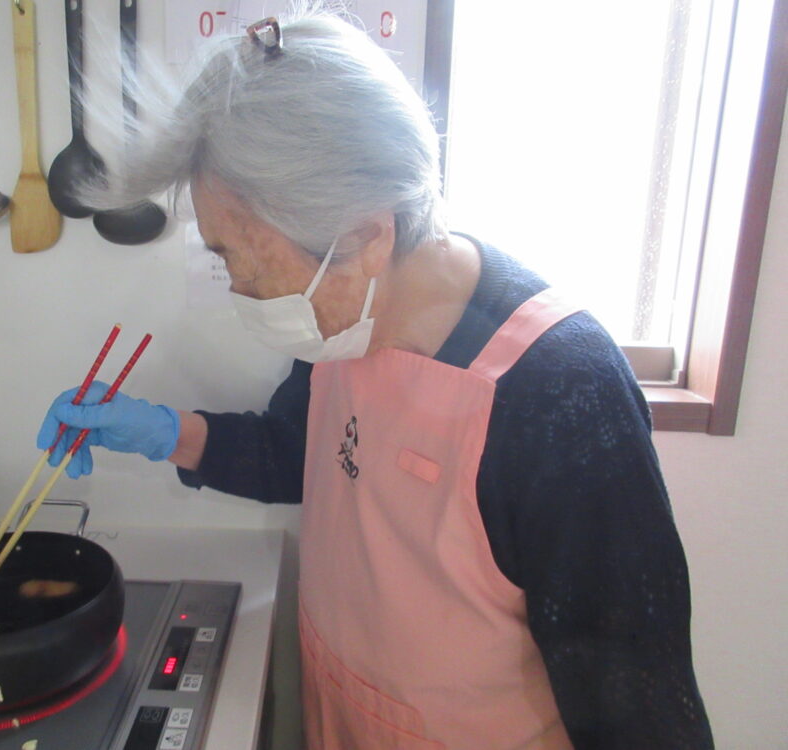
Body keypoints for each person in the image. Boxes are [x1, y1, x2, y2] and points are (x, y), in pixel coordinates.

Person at [37, 9, 714, 749]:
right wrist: (169, 434)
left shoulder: (563, 395)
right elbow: (308, 456)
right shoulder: (342, 320)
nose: (235, 288)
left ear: (364, 237)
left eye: (239, 259)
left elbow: (641, 717)